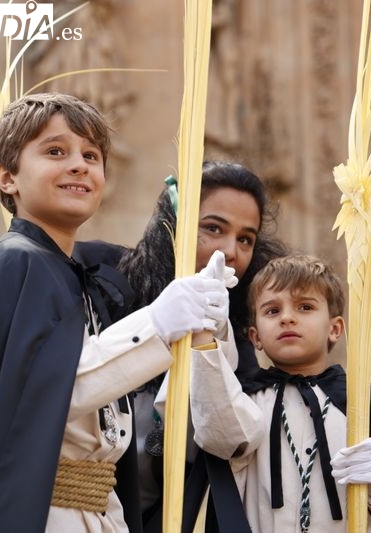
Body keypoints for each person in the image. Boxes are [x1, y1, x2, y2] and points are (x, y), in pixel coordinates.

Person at [0, 92, 228, 533]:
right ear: (7, 176)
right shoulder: (13, 264)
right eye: (55, 151)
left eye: (92, 155)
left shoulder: (76, 277)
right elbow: (45, 392)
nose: (79, 165)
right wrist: (157, 325)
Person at [73, 161, 288, 530]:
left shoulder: (241, 340)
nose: (229, 251)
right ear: (172, 223)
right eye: (213, 228)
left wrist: (212, 346)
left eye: (245, 239)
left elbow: (237, 447)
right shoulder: (94, 275)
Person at [189, 255, 371, 532]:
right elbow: (218, 431)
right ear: (256, 337)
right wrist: (204, 333)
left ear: (334, 329)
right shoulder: (244, 403)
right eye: (272, 311)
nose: (287, 318)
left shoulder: (366, 404)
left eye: (305, 307)